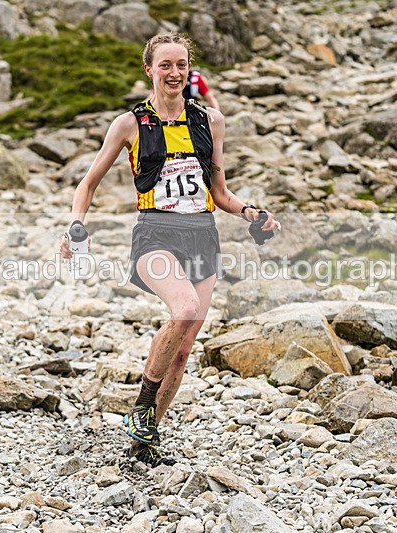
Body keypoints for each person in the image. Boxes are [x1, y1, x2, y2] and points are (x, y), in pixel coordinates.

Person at [59, 32, 280, 467]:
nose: (174, 73)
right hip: (155, 233)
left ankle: (144, 442)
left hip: (202, 235)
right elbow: (87, 184)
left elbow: (220, 193)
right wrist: (75, 225)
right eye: (165, 65)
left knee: (183, 349)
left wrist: (252, 213)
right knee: (185, 308)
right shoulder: (129, 124)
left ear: (189, 70)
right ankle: (142, 405)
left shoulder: (211, 121)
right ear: (150, 70)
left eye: (181, 65)